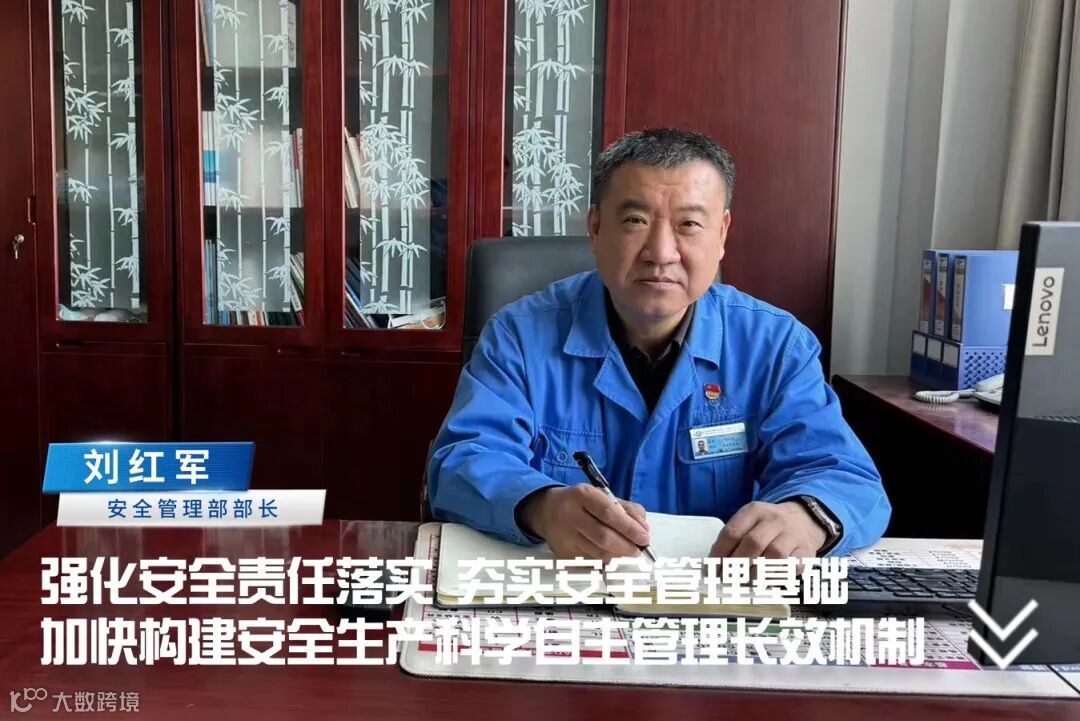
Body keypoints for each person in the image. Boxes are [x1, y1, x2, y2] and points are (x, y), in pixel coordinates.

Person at [427, 128, 890, 561]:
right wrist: (541, 507)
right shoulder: (519, 336)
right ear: (595, 228)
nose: (661, 252)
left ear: (722, 234)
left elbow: (842, 474)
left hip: (715, 600)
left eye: (689, 224)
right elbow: (462, 460)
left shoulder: (776, 346)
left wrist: (805, 517)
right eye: (635, 220)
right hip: (568, 590)